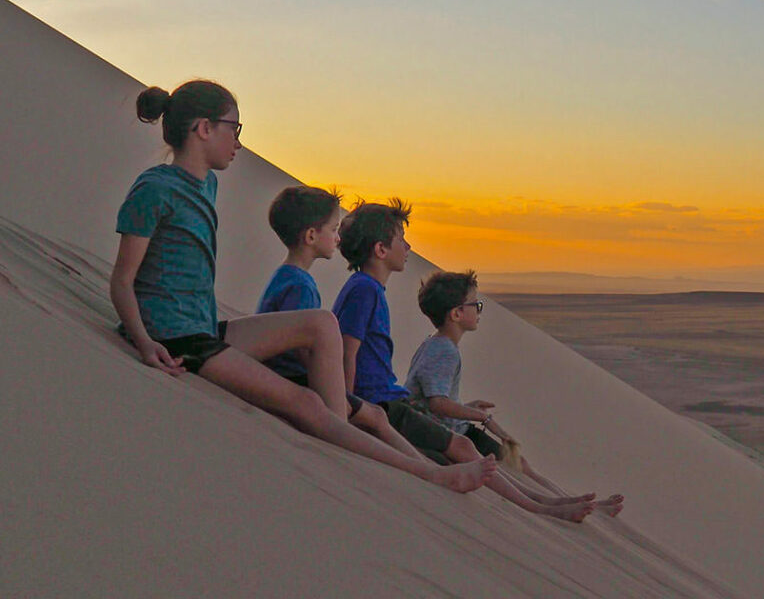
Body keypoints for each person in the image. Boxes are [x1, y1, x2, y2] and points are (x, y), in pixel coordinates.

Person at [110, 80, 495, 494]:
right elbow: (123, 280)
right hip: (175, 340)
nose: (238, 142)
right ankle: (424, 473)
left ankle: (339, 429)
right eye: (233, 128)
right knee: (305, 403)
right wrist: (145, 341)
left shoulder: (207, 184)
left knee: (321, 323)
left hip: (204, 328)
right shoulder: (155, 189)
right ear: (203, 129)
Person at [333, 199, 597, 522]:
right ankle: (538, 506)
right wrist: (345, 405)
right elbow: (347, 350)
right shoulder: (366, 291)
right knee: (464, 450)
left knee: (466, 451)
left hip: (389, 401)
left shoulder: (369, 289)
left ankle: (542, 501)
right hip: (381, 404)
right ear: (380, 250)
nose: (408, 246)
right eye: (401, 238)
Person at [407, 270, 624, 516]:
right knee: (501, 470)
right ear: (456, 314)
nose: (479, 311)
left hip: (455, 427)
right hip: (448, 434)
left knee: (519, 464)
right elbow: (436, 404)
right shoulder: (443, 350)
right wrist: (482, 417)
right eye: (475, 305)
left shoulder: (435, 344)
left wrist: (468, 407)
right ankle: (544, 506)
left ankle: (573, 502)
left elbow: (433, 399)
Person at [255, 185, 426, 461]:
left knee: (380, 419)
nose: (338, 238)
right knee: (377, 419)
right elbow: (305, 349)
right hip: (293, 380)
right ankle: (419, 466)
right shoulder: (301, 285)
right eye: (333, 230)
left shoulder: (289, 277)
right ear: (312, 236)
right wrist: (341, 396)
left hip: (294, 377)